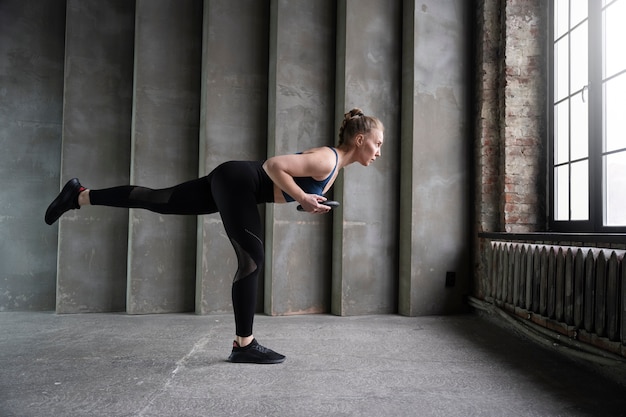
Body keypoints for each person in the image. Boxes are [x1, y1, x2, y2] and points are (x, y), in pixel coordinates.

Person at [45, 108, 384, 364]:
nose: (379, 150)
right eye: (377, 143)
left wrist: (304, 201)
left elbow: (286, 182)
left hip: (233, 180)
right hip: (239, 182)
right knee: (252, 259)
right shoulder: (328, 159)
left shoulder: (333, 166)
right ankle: (244, 345)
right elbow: (272, 166)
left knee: (157, 200)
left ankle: (79, 195)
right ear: (360, 140)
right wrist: (303, 198)